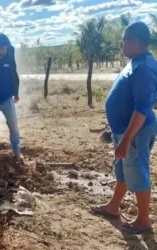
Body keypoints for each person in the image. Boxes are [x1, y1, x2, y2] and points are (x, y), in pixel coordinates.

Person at [90, 21, 157, 234]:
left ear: (135, 41)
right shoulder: (139, 62)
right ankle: (113, 207)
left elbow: (142, 108)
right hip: (125, 129)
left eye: (123, 41)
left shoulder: (144, 67)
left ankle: (143, 220)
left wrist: (127, 139)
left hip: (135, 131)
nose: (121, 46)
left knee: (137, 171)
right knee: (123, 170)